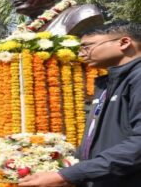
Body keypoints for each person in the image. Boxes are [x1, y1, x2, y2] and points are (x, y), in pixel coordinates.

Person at [19, 22, 141, 187]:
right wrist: (76, 173)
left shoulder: (137, 77)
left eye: (87, 46)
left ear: (124, 43)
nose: (80, 53)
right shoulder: (108, 83)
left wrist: (68, 175)